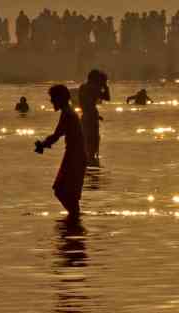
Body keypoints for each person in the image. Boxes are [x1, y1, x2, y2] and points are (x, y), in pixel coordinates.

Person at [35, 84, 86, 222]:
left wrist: (43, 144)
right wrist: (45, 144)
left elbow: (56, 135)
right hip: (75, 155)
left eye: (53, 98)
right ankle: (74, 221)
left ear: (60, 98)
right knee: (67, 192)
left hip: (75, 156)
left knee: (62, 191)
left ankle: (74, 219)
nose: (51, 101)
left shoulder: (68, 114)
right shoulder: (67, 112)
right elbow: (58, 135)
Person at [77, 69, 109, 165]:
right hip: (91, 116)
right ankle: (92, 164)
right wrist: (105, 86)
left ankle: (87, 163)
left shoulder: (82, 87)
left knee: (86, 139)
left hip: (85, 116)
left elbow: (85, 103)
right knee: (93, 140)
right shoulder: (93, 88)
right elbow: (107, 97)